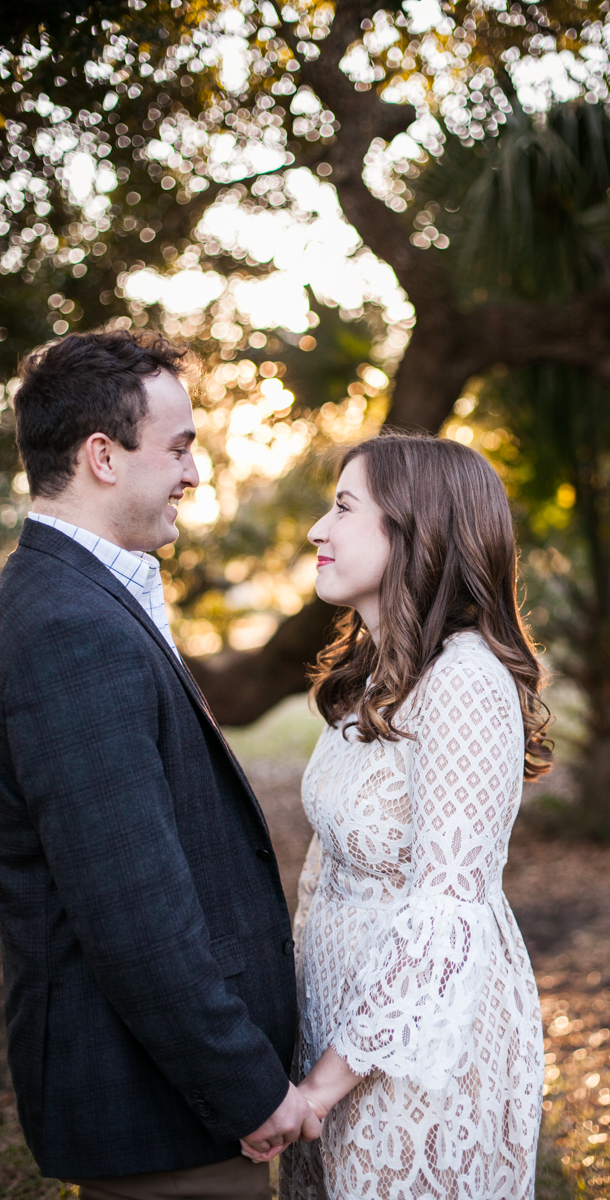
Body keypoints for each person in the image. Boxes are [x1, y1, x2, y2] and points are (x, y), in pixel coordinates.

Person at [0, 329, 320, 1200]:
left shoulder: (82, 596)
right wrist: (245, 1088)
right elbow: (131, 909)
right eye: (177, 447)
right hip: (159, 1114)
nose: (192, 472)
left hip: (163, 1102)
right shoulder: (70, 626)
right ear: (102, 456)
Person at [272, 434, 551, 1200]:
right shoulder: (375, 678)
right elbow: (323, 872)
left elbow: (446, 913)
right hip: (337, 1027)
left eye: (342, 507)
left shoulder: (464, 681)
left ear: (415, 529)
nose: (316, 532)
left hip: (420, 1051)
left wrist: (326, 1086)